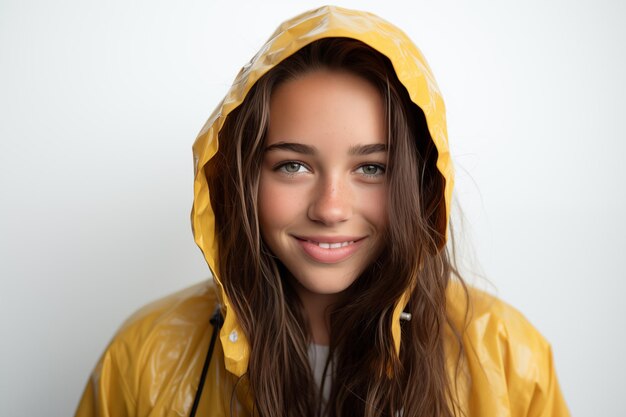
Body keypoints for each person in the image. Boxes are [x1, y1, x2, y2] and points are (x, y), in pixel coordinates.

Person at [75, 6, 570, 417]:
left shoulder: (509, 359)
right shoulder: (144, 355)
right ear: (242, 177)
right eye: (293, 165)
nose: (331, 208)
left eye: (371, 168)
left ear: (420, 183)